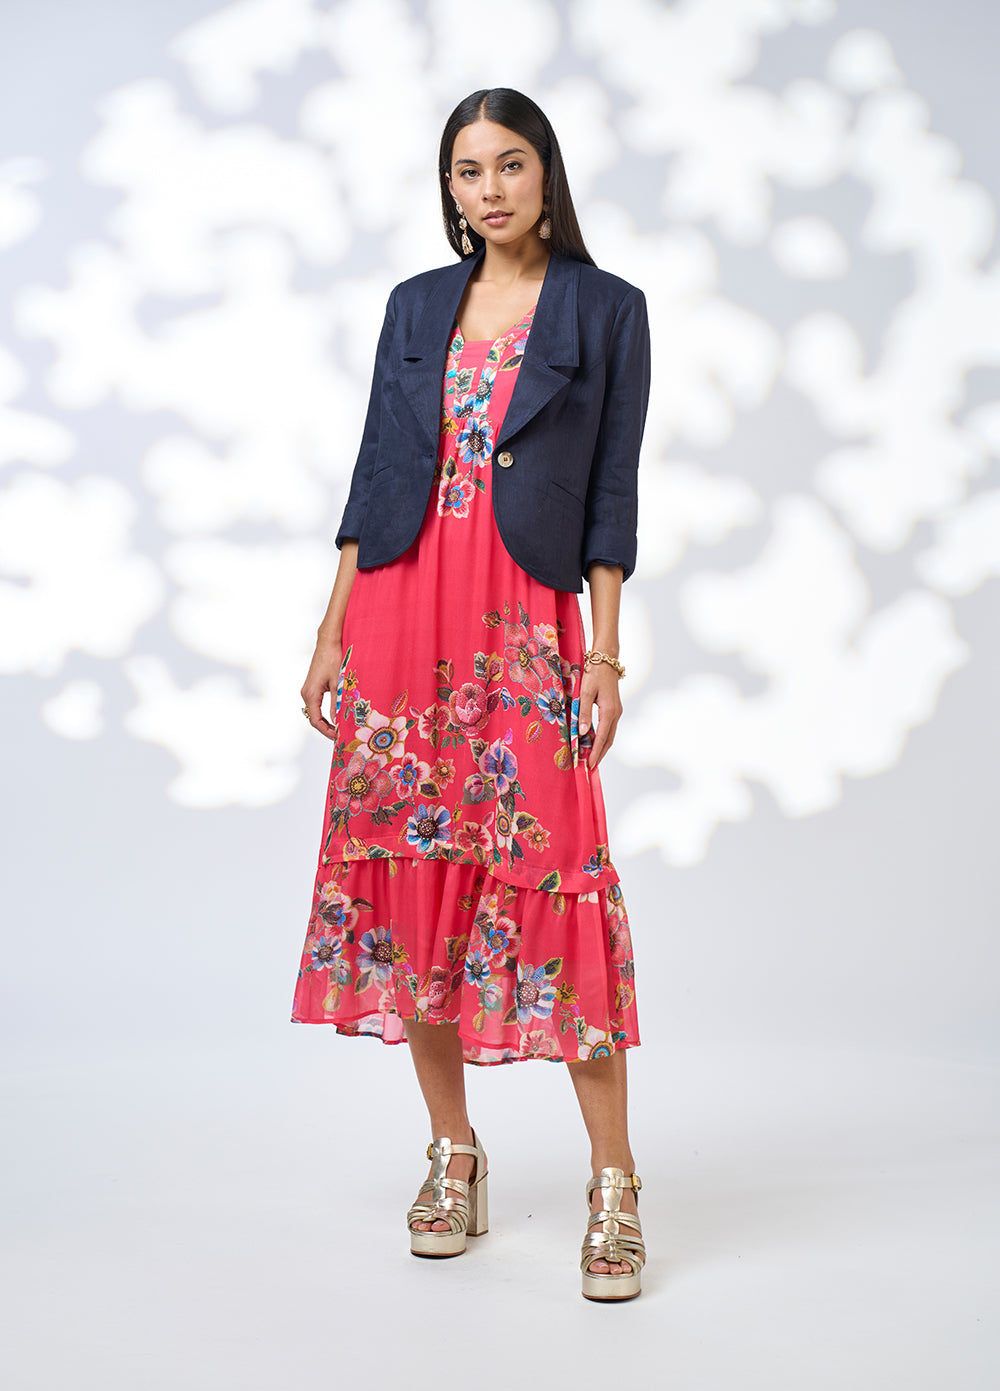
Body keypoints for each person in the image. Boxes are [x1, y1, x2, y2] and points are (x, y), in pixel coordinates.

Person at [293, 87, 651, 1301]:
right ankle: (452, 1153)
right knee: (415, 875)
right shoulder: (413, 305)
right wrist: (331, 630)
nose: (488, 189)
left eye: (508, 164)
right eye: (466, 170)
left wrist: (602, 655)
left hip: (522, 616)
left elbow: (611, 488)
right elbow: (377, 468)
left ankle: (613, 1180)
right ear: (447, 188)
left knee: (554, 872)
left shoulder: (605, 308)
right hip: (401, 609)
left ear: (546, 172)